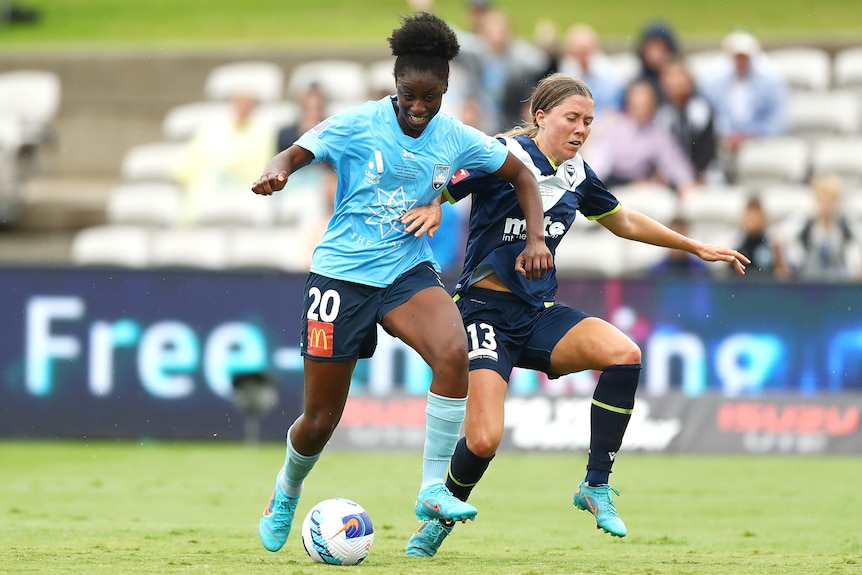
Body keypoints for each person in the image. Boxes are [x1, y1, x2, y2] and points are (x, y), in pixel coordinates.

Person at [404, 72, 749, 557]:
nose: (582, 129)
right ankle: (439, 520)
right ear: (541, 117)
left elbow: (623, 219)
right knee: (483, 440)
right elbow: (443, 183)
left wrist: (694, 246)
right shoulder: (501, 155)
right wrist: (434, 204)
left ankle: (595, 485)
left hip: (538, 313)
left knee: (623, 353)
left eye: (588, 121)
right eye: (572, 118)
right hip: (484, 312)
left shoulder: (576, 173)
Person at [250, 12, 553, 555]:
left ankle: (433, 488)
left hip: (404, 269)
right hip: (340, 276)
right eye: (409, 95)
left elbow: (522, 174)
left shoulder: (456, 135)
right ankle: (286, 491)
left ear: (444, 91)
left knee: (453, 350)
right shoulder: (357, 124)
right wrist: (278, 172)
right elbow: (294, 152)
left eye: (430, 98)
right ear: (395, 86)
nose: (418, 108)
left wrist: (536, 238)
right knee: (320, 420)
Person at [174, 90, 276, 225]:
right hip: (214, 186)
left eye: (247, 104)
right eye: (239, 103)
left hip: (248, 188)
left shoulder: (264, 132)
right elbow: (193, 161)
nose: (243, 108)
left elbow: (263, 164)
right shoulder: (212, 129)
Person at [699, 30, 787, 179]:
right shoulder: (714, 84)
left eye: (744, 57)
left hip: (760, 142)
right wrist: (725, 135)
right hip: (723, 143)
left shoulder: (770, 84)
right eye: (736, 57)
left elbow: (779, 121)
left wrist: (752, 135)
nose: (740, 61)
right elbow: (707, 115)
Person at [586, 79, 698, 195]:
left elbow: (673, 161)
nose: (642, 110)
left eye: (646, 105)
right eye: (637, 105)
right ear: (629, 105)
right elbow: (598, 161)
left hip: (645, 183)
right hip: (611, 182)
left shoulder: (658, 131)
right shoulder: (612, 124)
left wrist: (686, 183)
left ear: (653, 106)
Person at [776, 173, 862, 281]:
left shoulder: (846, 223)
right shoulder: (805, 221)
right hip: (809, 285)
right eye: (822, 199)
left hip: (840, 285)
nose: (826, 204)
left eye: (831, 199)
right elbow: (778, 236)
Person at [655, 57, 719, 184]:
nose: (674, 82)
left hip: (703, 174)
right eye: (669, 76)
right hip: (671, 176)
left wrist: (695, 177)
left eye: (679, 75)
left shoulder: (701, 110)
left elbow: (706, 151)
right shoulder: (662, 114)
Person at [556, 23, 624, 124]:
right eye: (578, 51)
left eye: (585, 51)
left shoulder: (608, 73)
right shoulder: (565, 71)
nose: (582, 56)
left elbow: (614, 107)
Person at [734, 196, 788, 279]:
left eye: (756, 215)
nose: (753, 220)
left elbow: (784, 277)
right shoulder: (738, 249)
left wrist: (778, 256)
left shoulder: (772, 247)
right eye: (749, 215)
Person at [647, 217, 712, 277]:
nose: (676, 243)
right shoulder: (656, 270)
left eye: (680, 236)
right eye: (671, 238)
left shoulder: (700, 269)